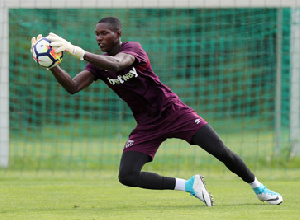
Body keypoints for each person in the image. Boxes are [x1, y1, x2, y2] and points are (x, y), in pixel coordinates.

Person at [31, 17, 283, 206]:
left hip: (174, 113)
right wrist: (52, 65)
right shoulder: (97, 66)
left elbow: (119, 63)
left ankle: (258, 187)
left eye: (104, 33)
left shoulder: (133, 49)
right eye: (96, 35)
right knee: (127, 176)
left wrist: (75, 50)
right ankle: (189, 186)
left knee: (220, 150)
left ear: (118, 33)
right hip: (147, 125)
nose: (99, 38)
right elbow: (73, 87)